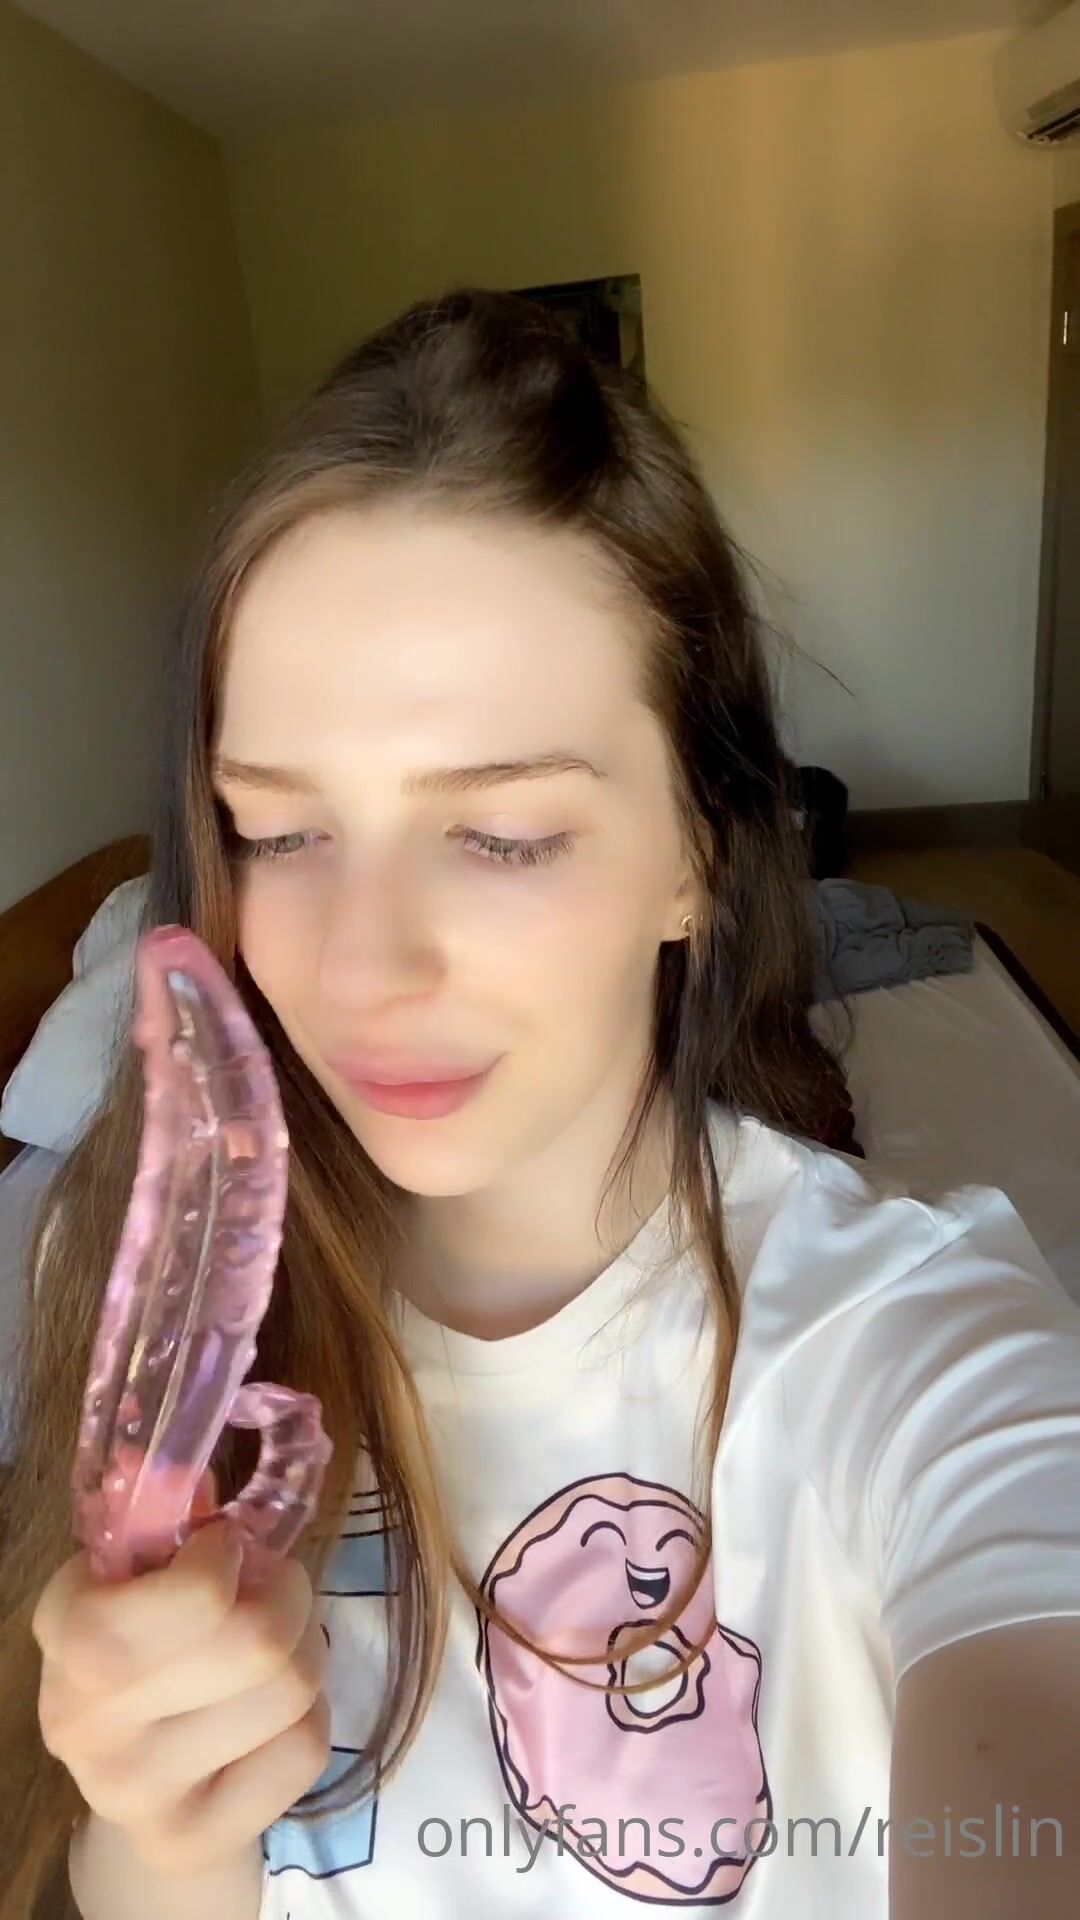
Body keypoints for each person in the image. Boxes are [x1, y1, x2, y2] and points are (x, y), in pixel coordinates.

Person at [2, 287, 1079, 1920]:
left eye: (502, 836)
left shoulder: (919, 1355)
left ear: (698, 855)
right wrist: (164, 1829)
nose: (362, 969)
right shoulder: (132, 1315)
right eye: (281, 835)